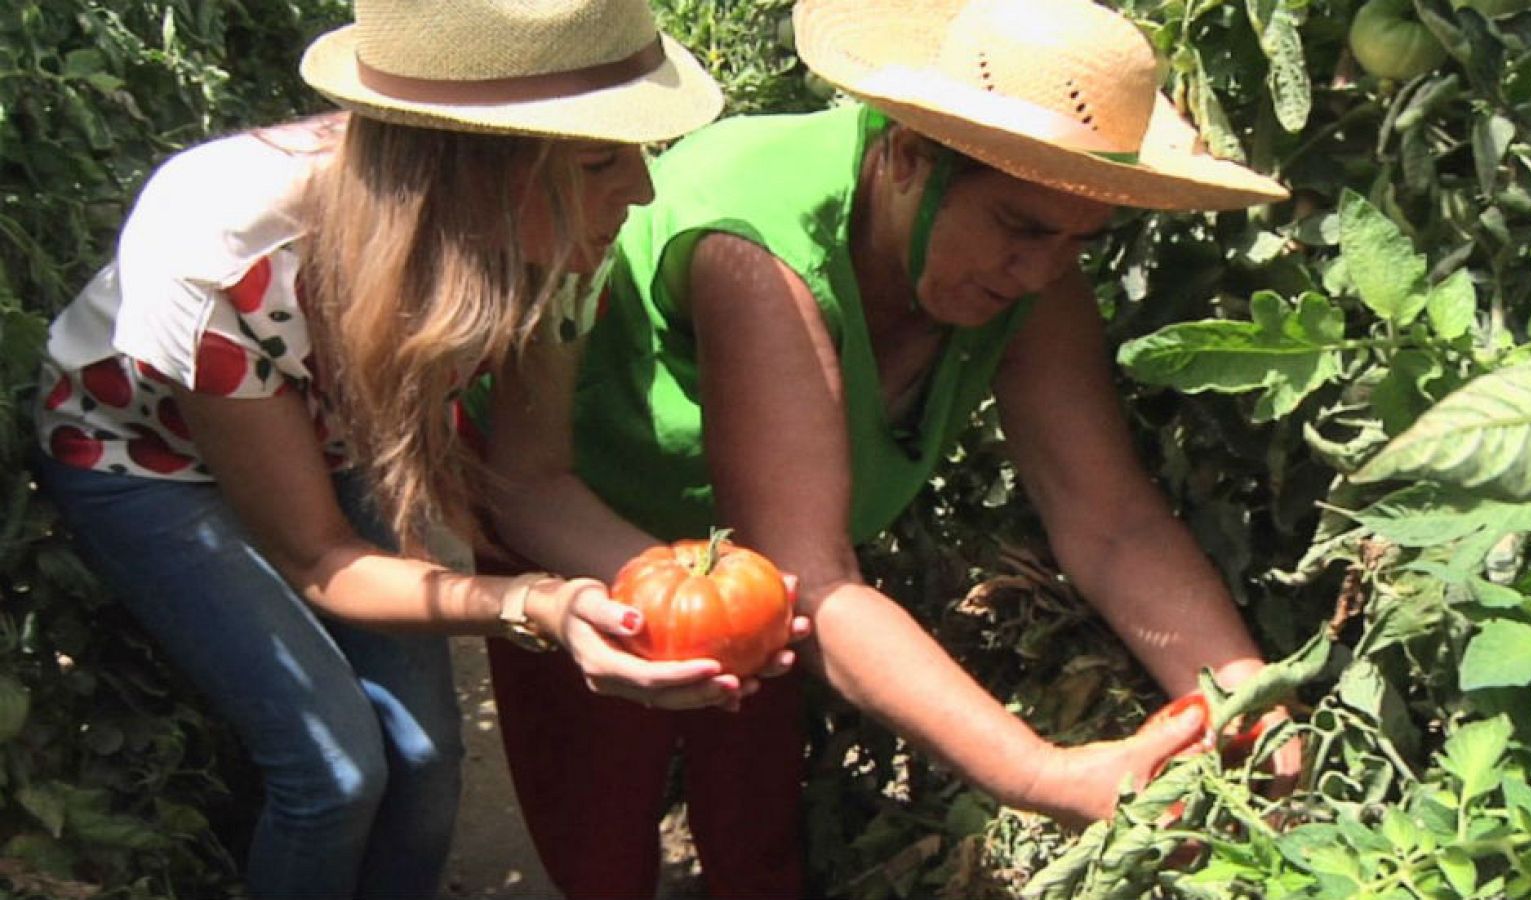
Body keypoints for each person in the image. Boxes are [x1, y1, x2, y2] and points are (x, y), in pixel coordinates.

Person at [481, 0, 1305, 896]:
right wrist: (1041, 776)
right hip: (577, 512)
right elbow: (811, 572)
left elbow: (1109, 518)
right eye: (1022, 228)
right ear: (908, 157)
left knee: (754, 800)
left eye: (1080, 242)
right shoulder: (754, 242)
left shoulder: (1036, 269)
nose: (1040, 273)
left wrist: (1246, 700)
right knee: (601, 815)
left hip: (766, 579)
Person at [26, 1, 810, 896]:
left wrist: (684, 592)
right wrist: (532, 605)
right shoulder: (219, 243)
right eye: (599, 160)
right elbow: (321, 559)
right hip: (142, 459)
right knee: (334, 772)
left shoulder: (553, 241)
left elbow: (530, 478)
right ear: (469, 169)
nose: (639, 191)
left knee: (429, 760)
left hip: (337, 432)